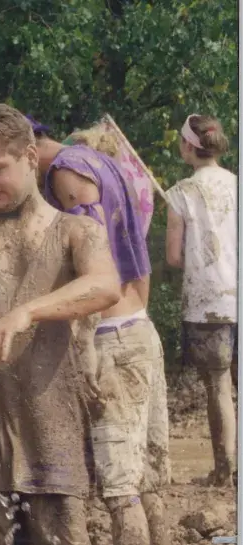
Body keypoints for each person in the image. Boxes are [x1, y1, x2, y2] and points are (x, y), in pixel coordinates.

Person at [0, 104, 120, 545]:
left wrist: (27, 311)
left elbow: (106, 285)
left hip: (51, 431)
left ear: (30, 157)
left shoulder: (76, 232)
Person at [34, 115, 170, 545]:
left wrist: (88, 344)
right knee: (144, 480)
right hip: (138, 327)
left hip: (111, 337)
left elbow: (92, 267)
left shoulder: (64, 173)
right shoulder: (103, 161)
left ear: (29, 148)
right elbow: (136, 256)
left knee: (119, 490)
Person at [165, 114, 237, 487]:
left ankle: (224, 471)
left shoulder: (181, 194)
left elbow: (174, 257)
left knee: (219, 388)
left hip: (208, 303)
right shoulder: (237, 186)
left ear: (188, 147)